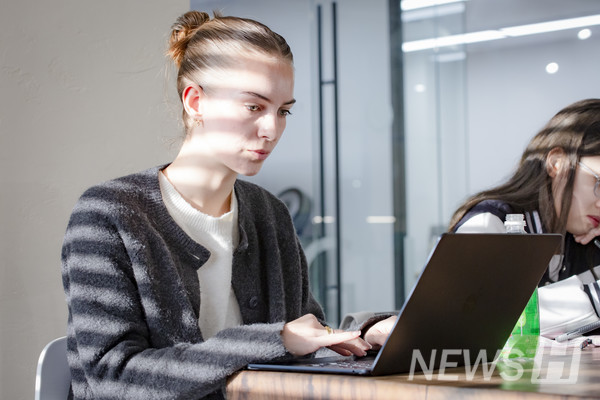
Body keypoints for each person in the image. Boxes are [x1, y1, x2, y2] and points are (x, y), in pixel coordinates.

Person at [61, 11, 393, 400]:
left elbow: (304, 334)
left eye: (283, 110)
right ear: (195, 101)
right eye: (254, 107)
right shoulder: (108, 215)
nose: (272, 129)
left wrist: (365, 334)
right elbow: (113, 378)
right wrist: (277, 339)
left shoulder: (269, 214)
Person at [448, 98, 600, 339]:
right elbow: (473, 320)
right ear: (557, 163)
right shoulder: (491, 223)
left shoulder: (587, 241)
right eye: (598, 183)